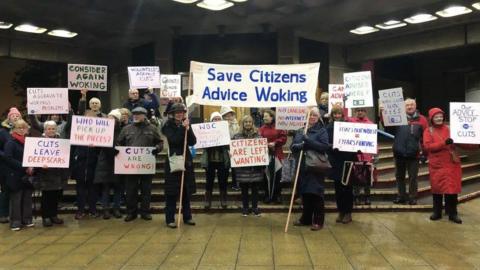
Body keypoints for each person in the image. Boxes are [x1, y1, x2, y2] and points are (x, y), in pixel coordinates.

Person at [423, 108, 478, 224]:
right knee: (437, 190)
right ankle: (437, 212)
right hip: (437, 165)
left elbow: (462, 143)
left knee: (452, 189)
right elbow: (428, 147)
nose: (439, 118)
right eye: (436, 116)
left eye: (440, 116)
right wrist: (444, 143)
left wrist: (476, 145)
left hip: (452, 163)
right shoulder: (428, 131)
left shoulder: (451, 129)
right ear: (431, 118)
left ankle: (452, 213)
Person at [117, 107, 163, 222]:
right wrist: (117, 150)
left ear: (145, 115)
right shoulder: (126, 129)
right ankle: (131, 212)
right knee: (130, 190)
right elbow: (119, 142)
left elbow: (160, 142)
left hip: (146, 165)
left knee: (146, 190)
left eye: (138, 114)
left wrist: (157, 148)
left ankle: (145, 212)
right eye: (134, 114)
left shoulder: (152, 129)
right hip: (130, 166)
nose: (136, 116)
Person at [380, 98, 428, 205]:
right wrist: (383, 113)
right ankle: (401, 196)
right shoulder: (397, 118)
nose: (410, 107)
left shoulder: (422, 119)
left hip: (414, 154)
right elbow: (386, 125)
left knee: (413, 178)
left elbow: (425, 138)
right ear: (403, 107)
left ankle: (412, 197)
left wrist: (425, 153)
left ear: (415, 106)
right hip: (399, 153)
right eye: (407, 105)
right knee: (399, 177)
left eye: (412, 104)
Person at [291, 107, 329, 231]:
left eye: (314, 115)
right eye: (309, 115)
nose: (312, 117)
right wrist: (297, 146)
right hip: (302, 167)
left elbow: (324, 147)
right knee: (305, 194)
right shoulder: (300, 130)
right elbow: (293, 147)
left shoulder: (321, 131)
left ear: (318, 118)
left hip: (315, 167)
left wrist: (308, 141)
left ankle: (318, 221)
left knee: (316, 194)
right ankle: (306, 219)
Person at [162, 103, 197, 228]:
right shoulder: (167, 125)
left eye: (181, 112)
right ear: (172, 114)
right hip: (173, 160)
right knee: (172, 192)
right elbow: (174, 140)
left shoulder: (186, 123)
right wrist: (183, 128)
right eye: (177, 112)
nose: (179, 114)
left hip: (186, 160)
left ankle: (187, 217)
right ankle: (170, 218)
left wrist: (188, 129)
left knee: (185, 191)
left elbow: (193, 141)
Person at [326, 105, 356, 224]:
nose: (337, 116)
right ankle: (341, 211)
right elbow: (326, 143)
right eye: (335, 114)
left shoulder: (348, 126)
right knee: (338, 188)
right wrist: (332, 147)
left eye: (339, 114)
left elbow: (354, 141)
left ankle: (348, 212)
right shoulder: (329, 127)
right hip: (335, 161)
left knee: (347, 188)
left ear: (342, 115)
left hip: (347, 160)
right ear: (332, 116)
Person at [37, 121, 69, 227]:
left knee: (56, 196)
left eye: (53, 129)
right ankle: (46, 217)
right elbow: (34, 158)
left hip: (59, 174)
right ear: (45, 130)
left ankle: (54, 215)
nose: (51, 131)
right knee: (46, 197)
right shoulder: (39, 142)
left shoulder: (61, 141)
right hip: (45, 174)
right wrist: (40, 164)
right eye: (49, 129)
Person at [3, 119, 33, 231]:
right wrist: (25, 167)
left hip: (27, 175)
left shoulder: (29, 142)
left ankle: (27, 220)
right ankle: (15, 222)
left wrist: (32, 167)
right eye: (19, 127)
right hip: (15, 175)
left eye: (23, 127)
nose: (21, 129)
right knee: (16, 199)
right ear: (13, 129)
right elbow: (8, 159)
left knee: (27, 198)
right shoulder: (10, 142)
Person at [94, 109, 124, 219]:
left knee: (117, 188)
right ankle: (105, 210)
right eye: (109, 118)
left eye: (113, 118)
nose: (110, 120)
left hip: (118, 162)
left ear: (117, 120)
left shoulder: (122, 130)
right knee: (105, 188)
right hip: (105, 162)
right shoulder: (103, 130)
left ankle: (116, 209)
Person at [233, 115, 265, 217]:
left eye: (250, 122)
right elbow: (232, 148)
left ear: (252, 123)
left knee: (255, 190)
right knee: (244, 190)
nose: (248, 124)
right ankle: (245, 208)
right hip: (243, 168)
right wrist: (232, 153)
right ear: (242, 123)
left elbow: (262, 149)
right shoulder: (236, 136)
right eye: (246, 122)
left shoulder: (258, 136)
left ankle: (255, 207)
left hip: (255, 168)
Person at [201, 112, 230, 210]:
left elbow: (230, 144)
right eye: (215, 119)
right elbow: (202, 144)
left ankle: (223, 199)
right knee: (209, 181)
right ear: (211, 120)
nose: (217, 120)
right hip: (210, 160)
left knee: (223, 181)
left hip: (222, 160)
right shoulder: (207, 130)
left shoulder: (226, 131)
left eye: (219, 119)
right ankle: (207, 200)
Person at [258, 109, 287, 204]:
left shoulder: (279, 127)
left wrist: (275, 143)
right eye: (264, 116)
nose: (264, 118)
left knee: (278, 176)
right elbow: (258, 140)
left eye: (266, 116)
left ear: (272, 117)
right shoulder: (261, 129)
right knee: (266, 176)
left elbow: (284, 138)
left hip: (277, 154)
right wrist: (265, 144)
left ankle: (277, 195)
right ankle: (267, 195)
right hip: (266, 155)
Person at [0, 107, 22, 224]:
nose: (15, 117)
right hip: (5, 166)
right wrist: (5, 156)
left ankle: (17, 215)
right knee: (5, 190)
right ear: (8, 118)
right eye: (13, 115)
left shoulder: (22, 130)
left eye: (17, 115)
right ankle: (3, 214)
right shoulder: (2, 132)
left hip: (18, 166)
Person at [348, 107, 375, 205]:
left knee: (367, 177)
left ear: (365, 112)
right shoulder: (351, 123)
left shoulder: (371, 125)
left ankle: (367, 197)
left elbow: (374, 141)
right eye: (358, 110)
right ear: (355, 112)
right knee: (355, 177)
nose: (360, 112)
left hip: (367, 155)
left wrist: (375, 154)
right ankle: (357, 197)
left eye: (362, 110)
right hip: (354, 154)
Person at [220, 106, 240, 191]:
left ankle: (235, 184)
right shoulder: (220, 125)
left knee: (235, 167)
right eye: (226, 116)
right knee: (225, 167)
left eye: (230, 115)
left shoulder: (236, 124)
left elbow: (237, 134)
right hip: (224, 148)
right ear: (223, 117)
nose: (228, 117)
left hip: (235, 147)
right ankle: (224, 184)